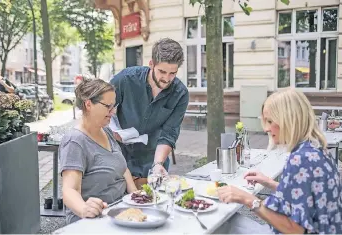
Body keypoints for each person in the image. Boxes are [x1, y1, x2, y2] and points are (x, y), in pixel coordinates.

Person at [217, 88, 342, 234]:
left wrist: (248, 199)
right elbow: (305, 196)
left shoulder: (301, 160)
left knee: (224, 224)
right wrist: (270, 183)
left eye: (270, 121)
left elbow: (295, 230)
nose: (266, 129)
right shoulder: (316, 149)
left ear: (289, 119)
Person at [110, 38, 189, 187]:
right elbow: (101, 108)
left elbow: (169, 133)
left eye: (173, 73)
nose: (167, 79)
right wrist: (109, 130)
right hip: (120, 157)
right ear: (151, 64)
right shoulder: (126, 79)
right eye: (162, 71)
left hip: (153, 161)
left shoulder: (181, 94)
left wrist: (158, 164)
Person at [59, 77, 138, 224]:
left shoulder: (106, 131)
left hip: (119, 212)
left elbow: (122, 168)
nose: (113, 112)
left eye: (114, 106)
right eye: (108, 106)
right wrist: (84, 209)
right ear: (88, 104)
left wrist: (135, 194)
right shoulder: (75, 141)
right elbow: (69, 190)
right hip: (92, 220)